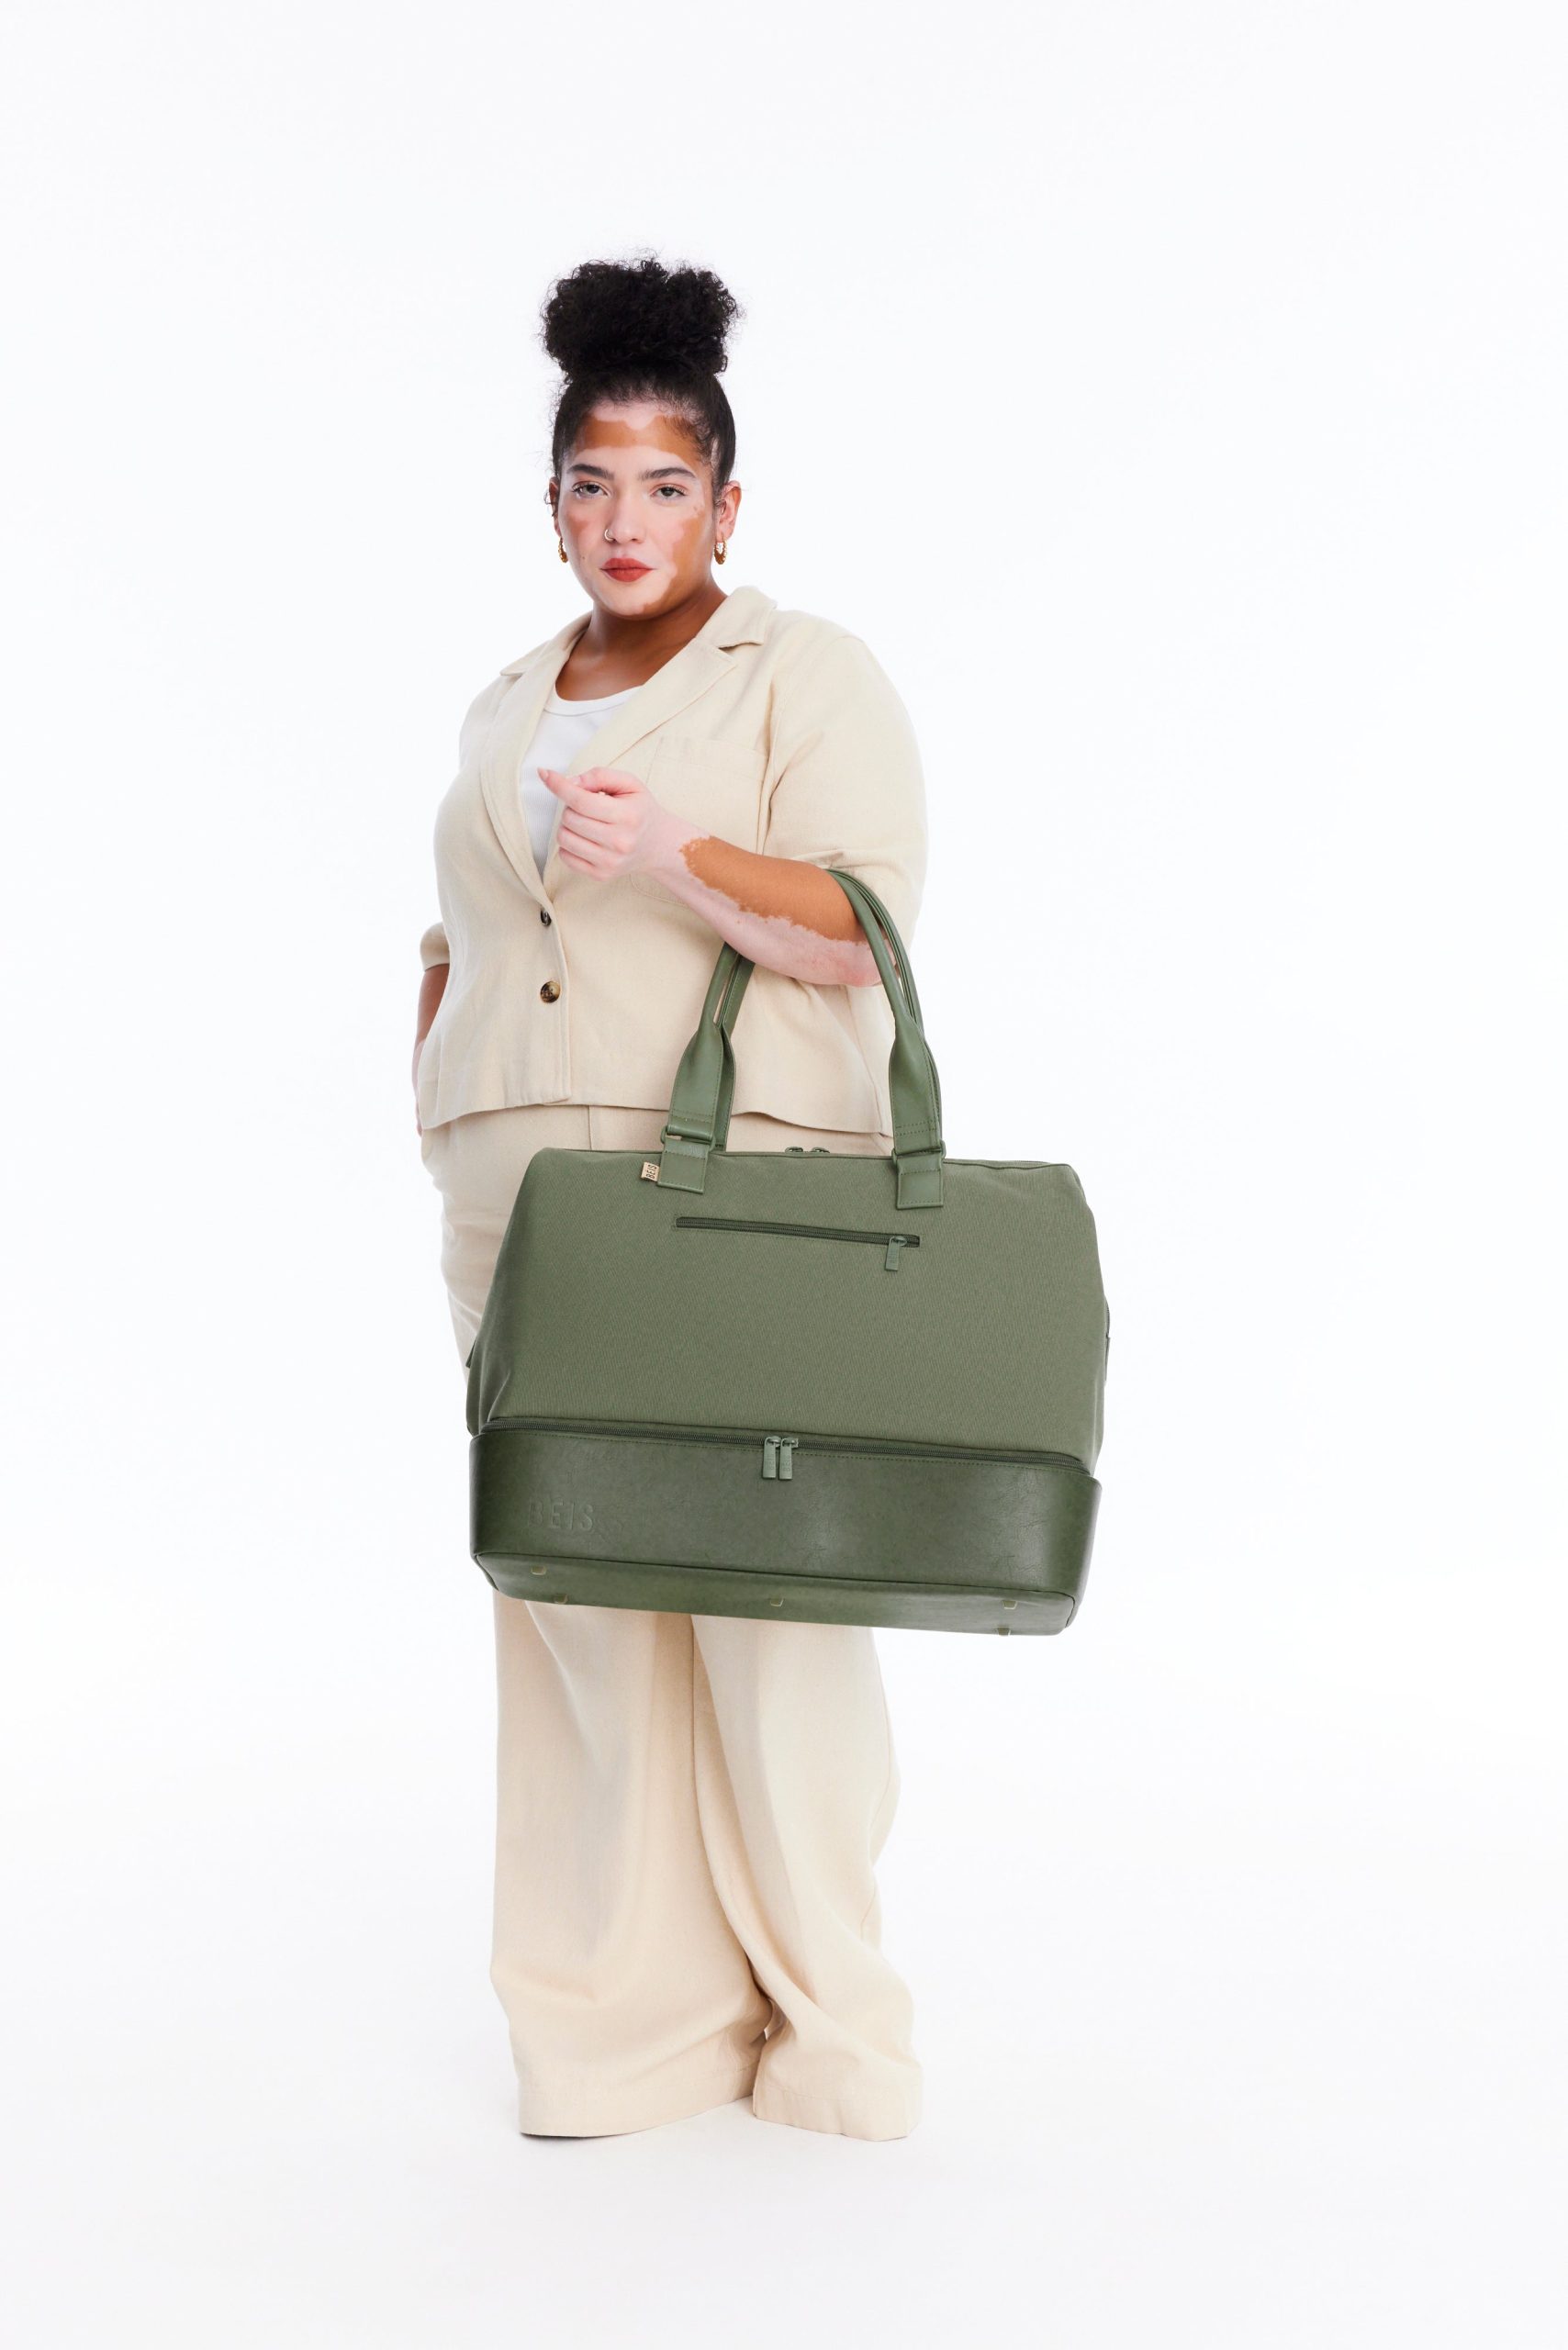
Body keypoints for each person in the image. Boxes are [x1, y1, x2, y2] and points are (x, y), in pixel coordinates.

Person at [413, 253, 929, 2142]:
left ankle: (833, 2032)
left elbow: (864, 925)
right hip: (518, 1197)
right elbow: (464, 928)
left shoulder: (802, 670)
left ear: (724, 503)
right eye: (591, 483)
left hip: (731, 1193)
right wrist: (433, 1073)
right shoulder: (505, 699)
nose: (624, 519)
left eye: (663, 483)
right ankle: (616, 2034)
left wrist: (683, 855)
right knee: (574, 1604)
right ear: (550, 506)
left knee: (769, 1605)